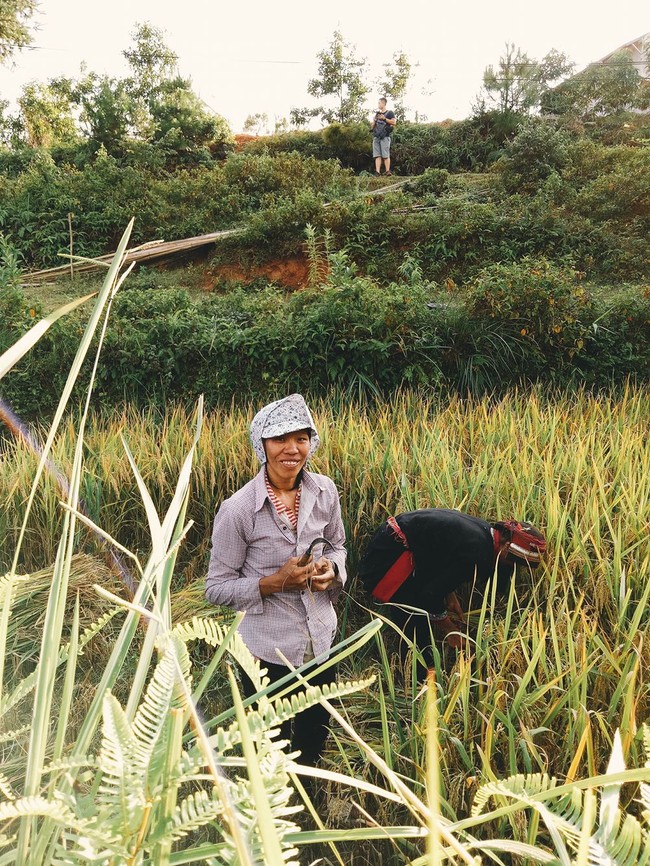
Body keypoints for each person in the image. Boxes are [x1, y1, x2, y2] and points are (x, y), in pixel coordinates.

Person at [205, 394, 346, 766]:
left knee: (316, 728)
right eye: (280, 439)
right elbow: (216, 588)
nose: (292, 449)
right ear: (261, 445)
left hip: (320, 640)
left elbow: (338, 546)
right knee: (270, 740)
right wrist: (273, 583)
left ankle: (308, 793)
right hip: (268, 649)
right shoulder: (238, 510)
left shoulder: (325, 491)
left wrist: (331, 570)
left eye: (301, 438)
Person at [359, 508, 546, 669]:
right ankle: (416, 676)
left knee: (422, 606)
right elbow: (430, 595)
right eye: (512, 560)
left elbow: (442, 557)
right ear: (505, 546)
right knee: (413, 614)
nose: (510, 566)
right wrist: (450, 630)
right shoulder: (478, 554)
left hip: (403, 540)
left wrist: (450, 594)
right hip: (390, 549)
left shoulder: (486, 534)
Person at [371, 96, 396, 176]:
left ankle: (387, 171)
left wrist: (384, 119)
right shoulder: (377, 114)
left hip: (385, 136)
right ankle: (377, 172)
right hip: (376, 136)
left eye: (379, 103)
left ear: (383, 103)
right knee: (377, 155)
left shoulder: (390, 113)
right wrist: (374, 121)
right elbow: (372, 127)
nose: (378, 104)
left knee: (385, 155)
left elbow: (394, 122)